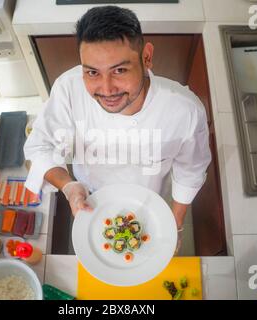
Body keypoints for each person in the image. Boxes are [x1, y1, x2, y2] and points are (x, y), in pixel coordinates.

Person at [24, 6, 211, 240]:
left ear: (146, 57)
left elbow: (190, 170)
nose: (107, 89)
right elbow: (37, 151)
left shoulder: (185, 111)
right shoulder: (69, 89)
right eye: (92, 73)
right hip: (90, 194)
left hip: (149, 197)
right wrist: (69, 187)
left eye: (120, 70)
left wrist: (176, 222)